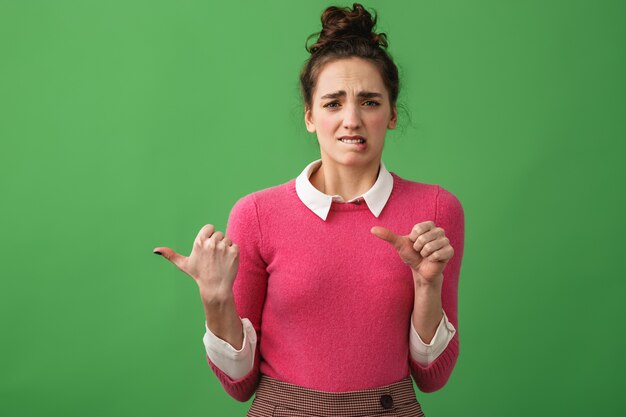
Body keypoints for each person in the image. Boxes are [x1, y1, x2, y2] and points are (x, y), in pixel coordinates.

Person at [154, 3, 465, 416]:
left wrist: (427, 286)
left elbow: (432, 377)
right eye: (333, 103)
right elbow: (240, 386)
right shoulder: (257, 215)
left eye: (369, 102)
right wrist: (216, 301)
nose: (351, 119)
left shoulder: (436, 210)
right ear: (309, 116)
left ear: (391, 114)